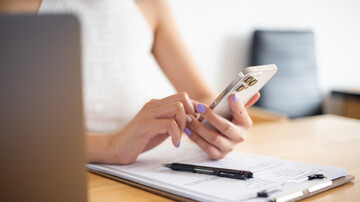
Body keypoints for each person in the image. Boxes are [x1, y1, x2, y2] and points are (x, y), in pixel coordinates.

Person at [0, 0, 260, 164]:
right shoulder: (16, 5)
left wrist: (217, 126)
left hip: (135, 176)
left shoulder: (150, 6)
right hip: (52, 171)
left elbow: (200, 95)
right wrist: (112, 147)